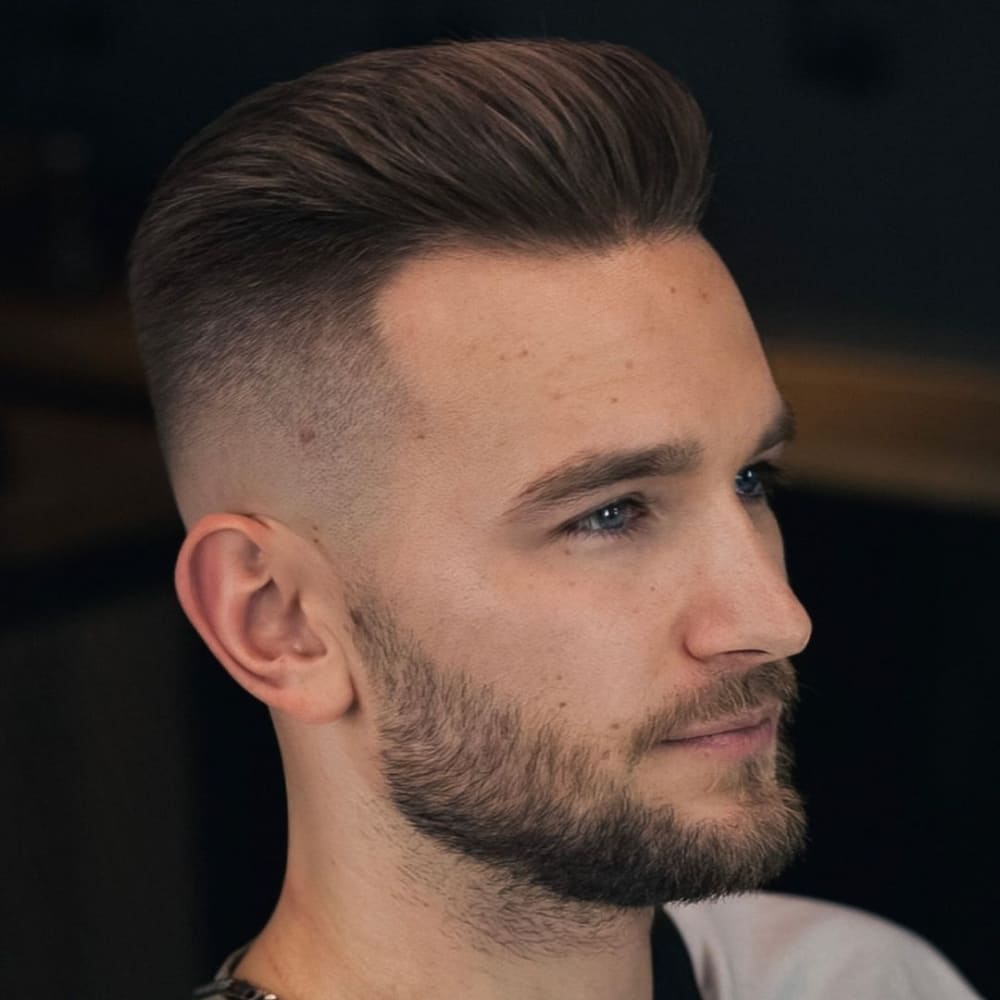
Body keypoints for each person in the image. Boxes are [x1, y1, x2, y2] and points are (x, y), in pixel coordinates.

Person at [129, 38, 979, 1000]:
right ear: (277, 621)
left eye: (751, 480)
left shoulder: (861, 980)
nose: (775, 618)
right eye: (610, 514)